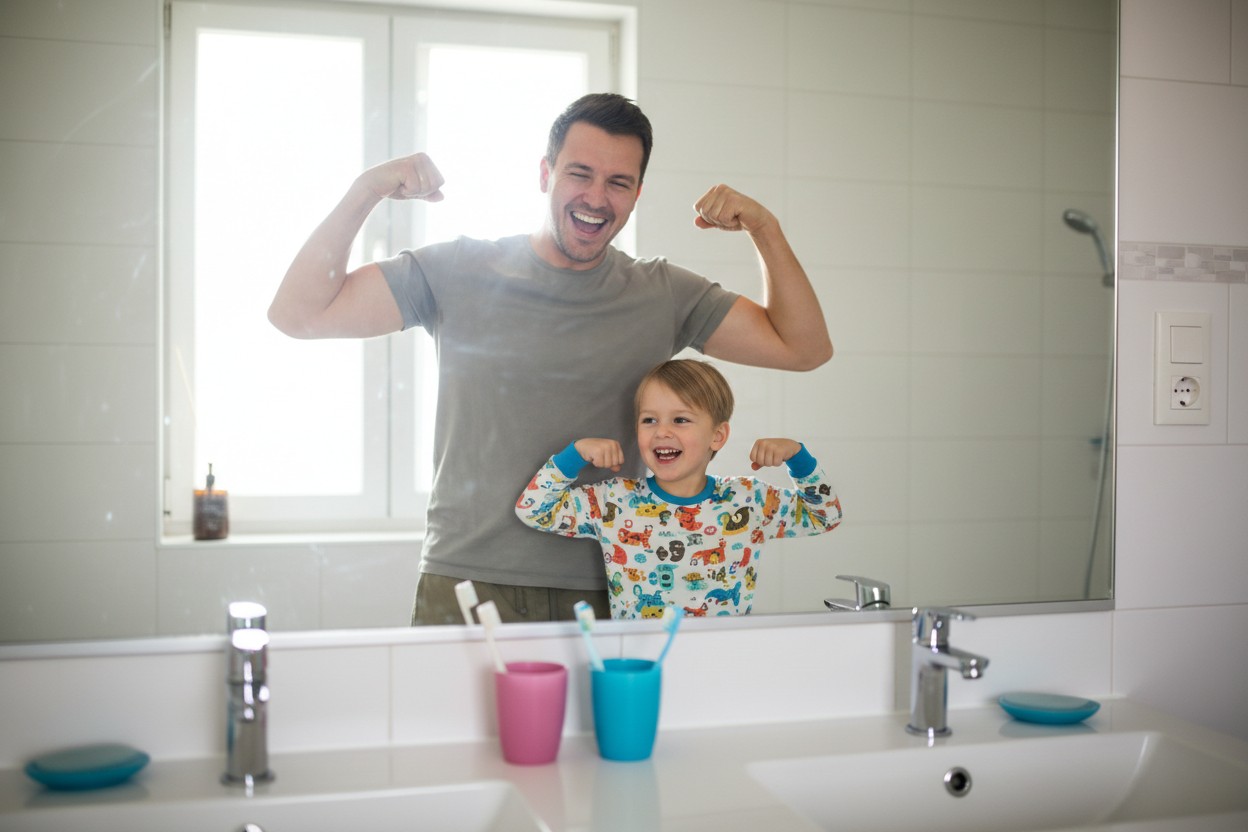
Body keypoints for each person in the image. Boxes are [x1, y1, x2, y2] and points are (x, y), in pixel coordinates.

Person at [268, 93, 832, 625]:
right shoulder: (457, 271)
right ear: (545, 174)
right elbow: (298, 314)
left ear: (637, 195)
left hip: (613, 588)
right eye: (579, 174)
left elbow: (803, 348)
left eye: (618, 183)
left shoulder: (663, 294)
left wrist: (765, 229)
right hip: (467, 585)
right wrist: (366, 190)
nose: (595, 198)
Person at [515, 359, 841, 618]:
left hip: (722, 664)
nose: (661, 432)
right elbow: (533, 510)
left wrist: (799, 458)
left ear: (717, 435)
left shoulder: (749, 500)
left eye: (680, 420)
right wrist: (575, 454)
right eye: (649, 420)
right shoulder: (614, 502)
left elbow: (824, 516)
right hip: (641, 666)